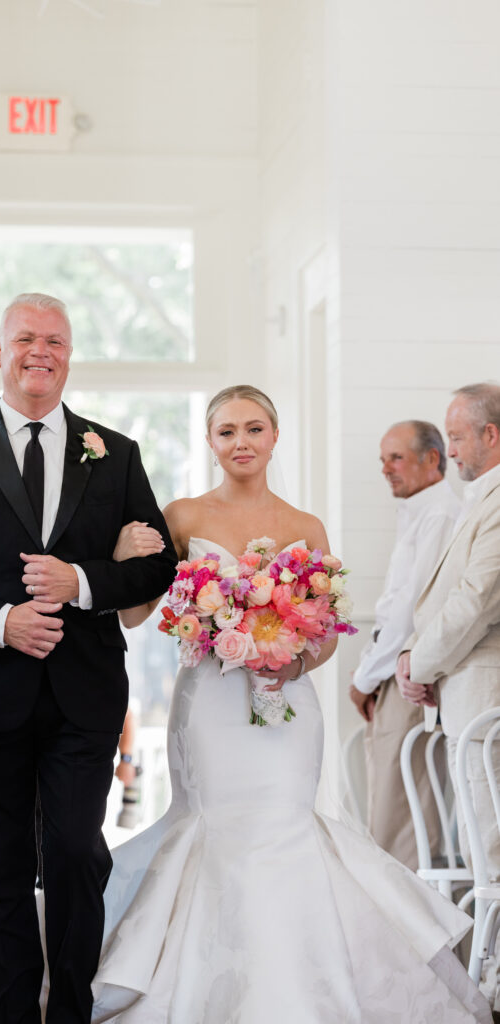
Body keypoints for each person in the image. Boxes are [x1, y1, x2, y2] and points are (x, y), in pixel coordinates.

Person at [87, 385, 489, 1023]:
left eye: (253, 429)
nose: (240, 443)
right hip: (212, 705)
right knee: (215, 829)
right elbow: (136, 615)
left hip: (287, 708)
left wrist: (290, 661)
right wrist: (119, 558)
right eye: (226, 432)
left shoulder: (306, 527)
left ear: (274, 437)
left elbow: (327, 634)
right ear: (211, 440)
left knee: (286, 828)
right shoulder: (183, 515)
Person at [0, 293, 177, 1024]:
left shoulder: (114, 453)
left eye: (54, 339)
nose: (40, 351)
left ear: (69, 353)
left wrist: (82, 581)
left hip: (83, 697)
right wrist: (0, 622)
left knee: (77, 854)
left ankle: (70, 1012)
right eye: (25, 338)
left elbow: (157, 567)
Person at [397, 381, 500, 1014]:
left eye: (458, 436)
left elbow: (475, 600)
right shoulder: (476, 498)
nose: (451, 448)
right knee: (481, 849)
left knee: (492, 852)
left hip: (483, 696)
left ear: (492, 435)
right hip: (460, 694)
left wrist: (418, 661)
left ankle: (489, 985)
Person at [350, 420, 460, 869]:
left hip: (408, 676)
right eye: (382, 459)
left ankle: (406, 935)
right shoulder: (420, 512)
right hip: (391, 675)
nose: (385, 469)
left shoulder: (440, 514)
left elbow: (411, 613)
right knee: (386, 810)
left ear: (432, 459)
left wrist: (362, 680)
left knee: (399, 820)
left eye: (395, 457)